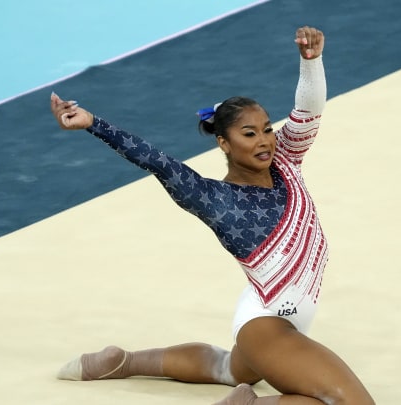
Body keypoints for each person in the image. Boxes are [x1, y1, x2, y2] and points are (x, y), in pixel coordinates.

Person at [49, 26, 375, 405]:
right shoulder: (215, 199)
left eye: (267, 129)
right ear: (224, 142)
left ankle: (120, 361)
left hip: (270, 311)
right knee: (352, 403)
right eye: (249, 134)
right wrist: (93, 124)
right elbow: (157, 161)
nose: (265, 140)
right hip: (267, 325)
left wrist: (311, 61)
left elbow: (309, 109)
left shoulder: (287, 160)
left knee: (228, 369)